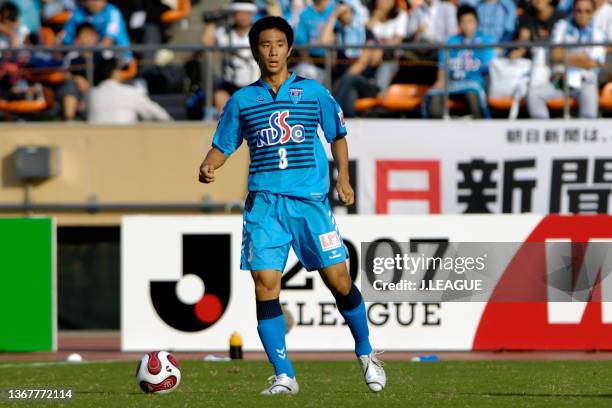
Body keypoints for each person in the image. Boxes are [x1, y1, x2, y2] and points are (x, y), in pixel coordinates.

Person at [198, 16, 386, 395]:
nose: (272, 51)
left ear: (289, 49)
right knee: (265, 284)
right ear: (255, 51)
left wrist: (344, 178)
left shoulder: (313, 93)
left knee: (340, 281)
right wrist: (209, 164)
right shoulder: (242, 100)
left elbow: (338, 135)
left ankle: (366, 352)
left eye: (279, 44)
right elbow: (225, 144)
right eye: (265, 45)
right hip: (264, 206)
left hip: (310, 203)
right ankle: (284, 374)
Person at [527, 0, 605, 118]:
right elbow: (555, 55)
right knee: (534, 94)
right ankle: (544, 131)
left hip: (584, 83)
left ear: (592, 13)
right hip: (559, 82)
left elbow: (592, 63)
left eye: (587, 11)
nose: (582, 14)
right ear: (573, 11)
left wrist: (565, 55)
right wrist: (581, 58)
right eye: (578, 11)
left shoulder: (598, 33)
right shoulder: (561, 26)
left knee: (590, 99)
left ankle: (583, 135)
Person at [423, 4, 495, 118]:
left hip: (475, 85)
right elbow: (443, 66)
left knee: (472, 96)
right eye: (463, 22)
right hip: (452, 83)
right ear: (458, 24)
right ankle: (436, 133)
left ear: (477, 22)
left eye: (470, 21)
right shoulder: (451, 42)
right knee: (435, 98)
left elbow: (488, 68)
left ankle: (481, 131)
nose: (467, 26)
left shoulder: (486, 41)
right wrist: (440, 80)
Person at [201, 0, 260, 116]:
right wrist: (213, 19)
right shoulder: (225, 34)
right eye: (239, 13)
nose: (243, 17)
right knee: (220, 97)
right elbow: (206, 41)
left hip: (255, 85)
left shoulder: (259, 33)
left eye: (246, 13)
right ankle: (227, 132)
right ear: (233, 14)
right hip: (231, 86)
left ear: (252, 14)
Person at [88, 56, 171, 124]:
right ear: (114, 72)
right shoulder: (131, 92)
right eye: (121, 69)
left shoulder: (92, 94)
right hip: (126, 140)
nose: (123, 72)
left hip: (97, 141)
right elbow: (161, 115)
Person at [62, 0, 132, 64]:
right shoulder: (77, 13)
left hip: (118, 58)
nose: (97, 3)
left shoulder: (112, 12)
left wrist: (87, 50)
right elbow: (66, 41)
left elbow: (107, 42)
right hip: (86, 57)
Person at [57, 22, 98, 121]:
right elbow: (63, 74)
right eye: (84, 35)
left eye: (91, 35)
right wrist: (76, 79)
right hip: (77, 93)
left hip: (98, 92)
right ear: (78, 39)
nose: (88, 38)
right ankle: (69, 123)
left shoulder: (104, 55)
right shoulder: (71, 56)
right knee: (69, 87)